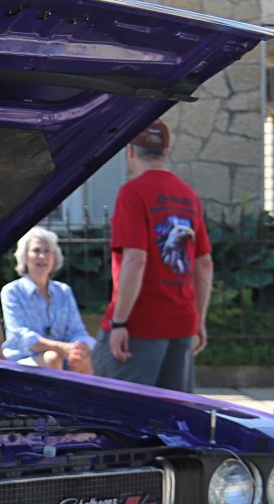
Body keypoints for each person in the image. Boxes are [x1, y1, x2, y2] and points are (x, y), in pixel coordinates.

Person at [91, 118, 212, 393]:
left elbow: (135, 259)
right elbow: (204, 264)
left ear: (130, 152)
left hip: (139, 325)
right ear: (166, 151)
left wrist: (119, 322)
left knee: (118, 408)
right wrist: (199, 320)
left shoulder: (132, 192)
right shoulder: (189, 196)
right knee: (174, 412)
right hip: (182, 323)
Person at [0, 226, 94, 373]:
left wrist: (81, 347)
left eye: (47, 251)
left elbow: (77, 330)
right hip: (22, 362)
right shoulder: (12, 291)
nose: (42, 256)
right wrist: (61, 347)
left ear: (54, 257)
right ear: (24, 257)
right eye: (36, 251)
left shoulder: (63, 291)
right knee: (52, 358)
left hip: (63, 358)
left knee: (81, 359)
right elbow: (22, 336)